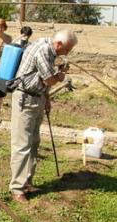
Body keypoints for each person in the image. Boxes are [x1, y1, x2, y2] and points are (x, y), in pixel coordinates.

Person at [9, 29, 78, 203]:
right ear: (59, 44)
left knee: (33, 143)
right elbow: (49, 79)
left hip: (36, 98)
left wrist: (45, 97)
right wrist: (61, 75)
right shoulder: (43, 50)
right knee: (22, 145)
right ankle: (17, 188)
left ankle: (26, 182)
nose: (66, 53)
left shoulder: (49, 50)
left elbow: (41, 77)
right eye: (67, 49)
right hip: (25, 100)